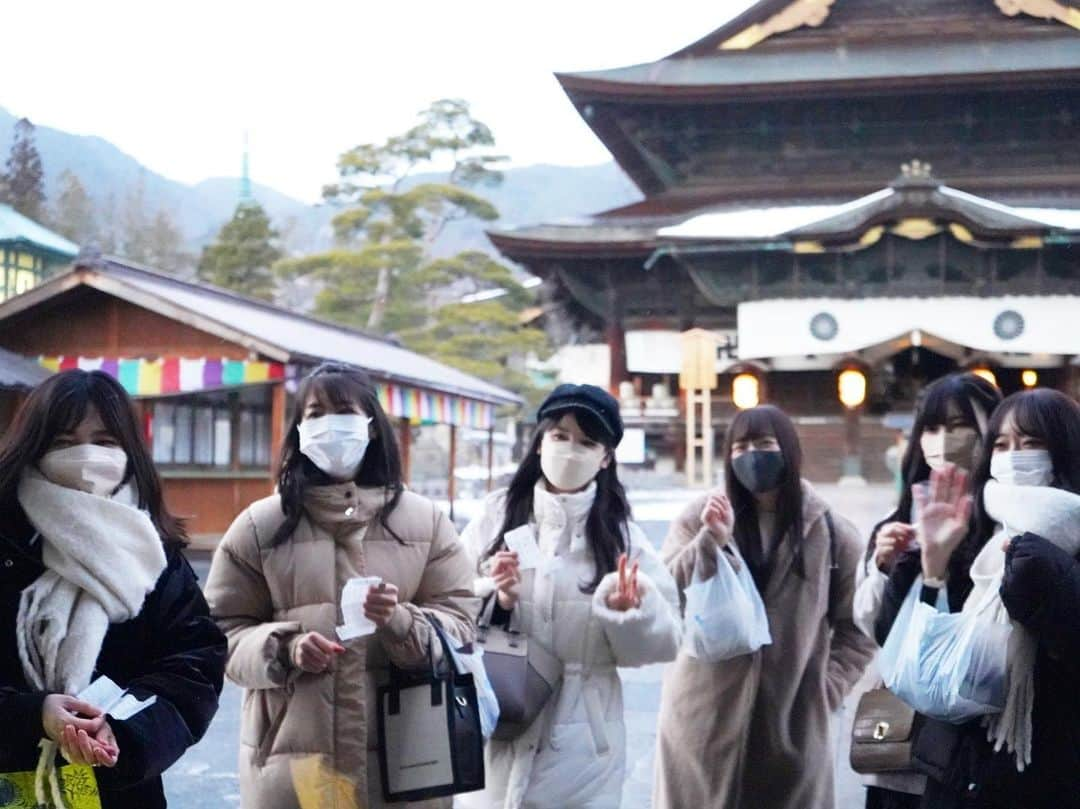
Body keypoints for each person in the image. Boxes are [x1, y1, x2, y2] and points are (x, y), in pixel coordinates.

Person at [205, 363, 477, 809]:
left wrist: (399, 621)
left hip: (406, 766)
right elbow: (218, 634)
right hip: (293, 769)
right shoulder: (260, 526)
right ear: (297, 430)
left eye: (343, 411)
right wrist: (283, 648)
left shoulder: (425, 522)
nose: (329, 425)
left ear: (371, 426)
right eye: (314, 414)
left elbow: (461, 629)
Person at [0, 370, 226, 809]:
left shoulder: (153, 554)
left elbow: (193, 663)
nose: (85, 456)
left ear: (129, 450)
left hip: (119, 794)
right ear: (33, 447)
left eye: (104, 441)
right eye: (64, 442)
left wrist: (122, 729)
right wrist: (33, 716)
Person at [458, 384, 681, 809]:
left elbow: (665, 641)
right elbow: (447, 607)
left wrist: (628, 614)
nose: (570, 449)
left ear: (606, 457)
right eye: (560, 435)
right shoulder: (494, 516)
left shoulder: (622, 538)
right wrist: (494, 597)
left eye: (587, 441)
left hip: (583, 748)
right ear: (540, 441)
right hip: (495, 733)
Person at [654, 404, 875, 809]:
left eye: (764, 443)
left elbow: (858, 627)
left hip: (792, 723)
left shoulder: (832, 531)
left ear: (788, 449)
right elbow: (665, 592)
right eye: (739, 446)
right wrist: (709, 543)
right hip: (701, 717)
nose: (751, 454)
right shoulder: (700, 516)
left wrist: (826, 689)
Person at [873, 388, 1080, 809]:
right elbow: (911, 656)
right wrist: (929, 565)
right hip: (963, 773)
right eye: (1002, 445)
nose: (1013, 455)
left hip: (1052, 774)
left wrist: (1042, 574)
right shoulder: (980, 530)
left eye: (1031, 443)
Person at [852, 373, 1001, 809]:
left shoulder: (1010, 519)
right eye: (932, 428)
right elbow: (878, 631)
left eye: (959, 426)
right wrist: (884, 565)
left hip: (981, 739)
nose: (943, 440)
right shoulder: (900, 521)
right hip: (903, 743)